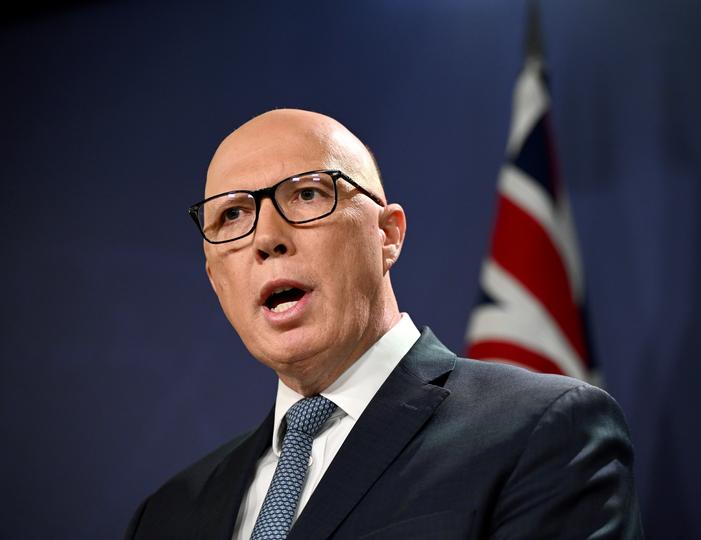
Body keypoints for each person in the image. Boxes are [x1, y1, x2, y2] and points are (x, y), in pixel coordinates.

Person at [125, 109, 643, 539]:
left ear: (388, 235)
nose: (267, 238)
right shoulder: (167, 515)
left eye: (307, 194)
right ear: (216, 278)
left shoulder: (540, 431)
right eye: (232, 215)